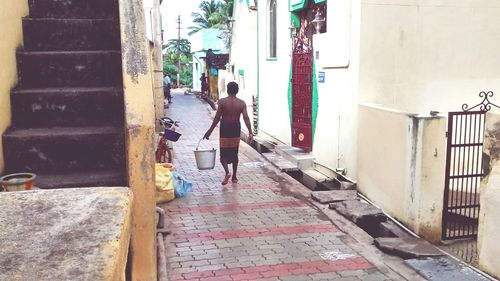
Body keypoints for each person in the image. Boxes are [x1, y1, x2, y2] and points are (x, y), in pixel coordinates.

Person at [203, 82, 252, 185]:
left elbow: (217, 118)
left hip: (225, 127)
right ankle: (234, 176)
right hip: (235, 128)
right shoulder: (241, 103)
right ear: (237, 90)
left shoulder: (222, 102)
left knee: (223, 155)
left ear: (227, 90)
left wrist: (210, 131)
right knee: (235, 153)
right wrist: (250, 132)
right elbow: (246, 118)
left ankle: (227, 172)